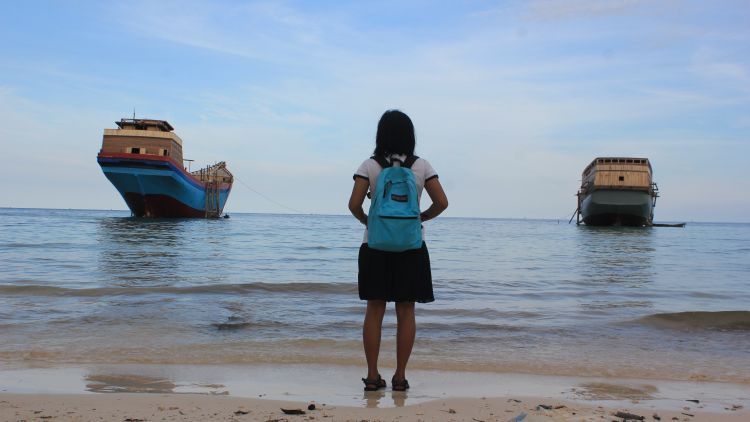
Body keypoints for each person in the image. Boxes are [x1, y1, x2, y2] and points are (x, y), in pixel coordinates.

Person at [348, 110, 449, 392]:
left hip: (375, 245)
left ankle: (371, 377)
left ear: (380, 135)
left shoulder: (370, 165)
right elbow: (442, 202)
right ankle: (400, 377)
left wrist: (368, 221)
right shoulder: (421, 166)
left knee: (374, 310)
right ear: (410, 135)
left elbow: (354, 204)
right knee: (406, 311)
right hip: (411, 246)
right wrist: (421, 218)